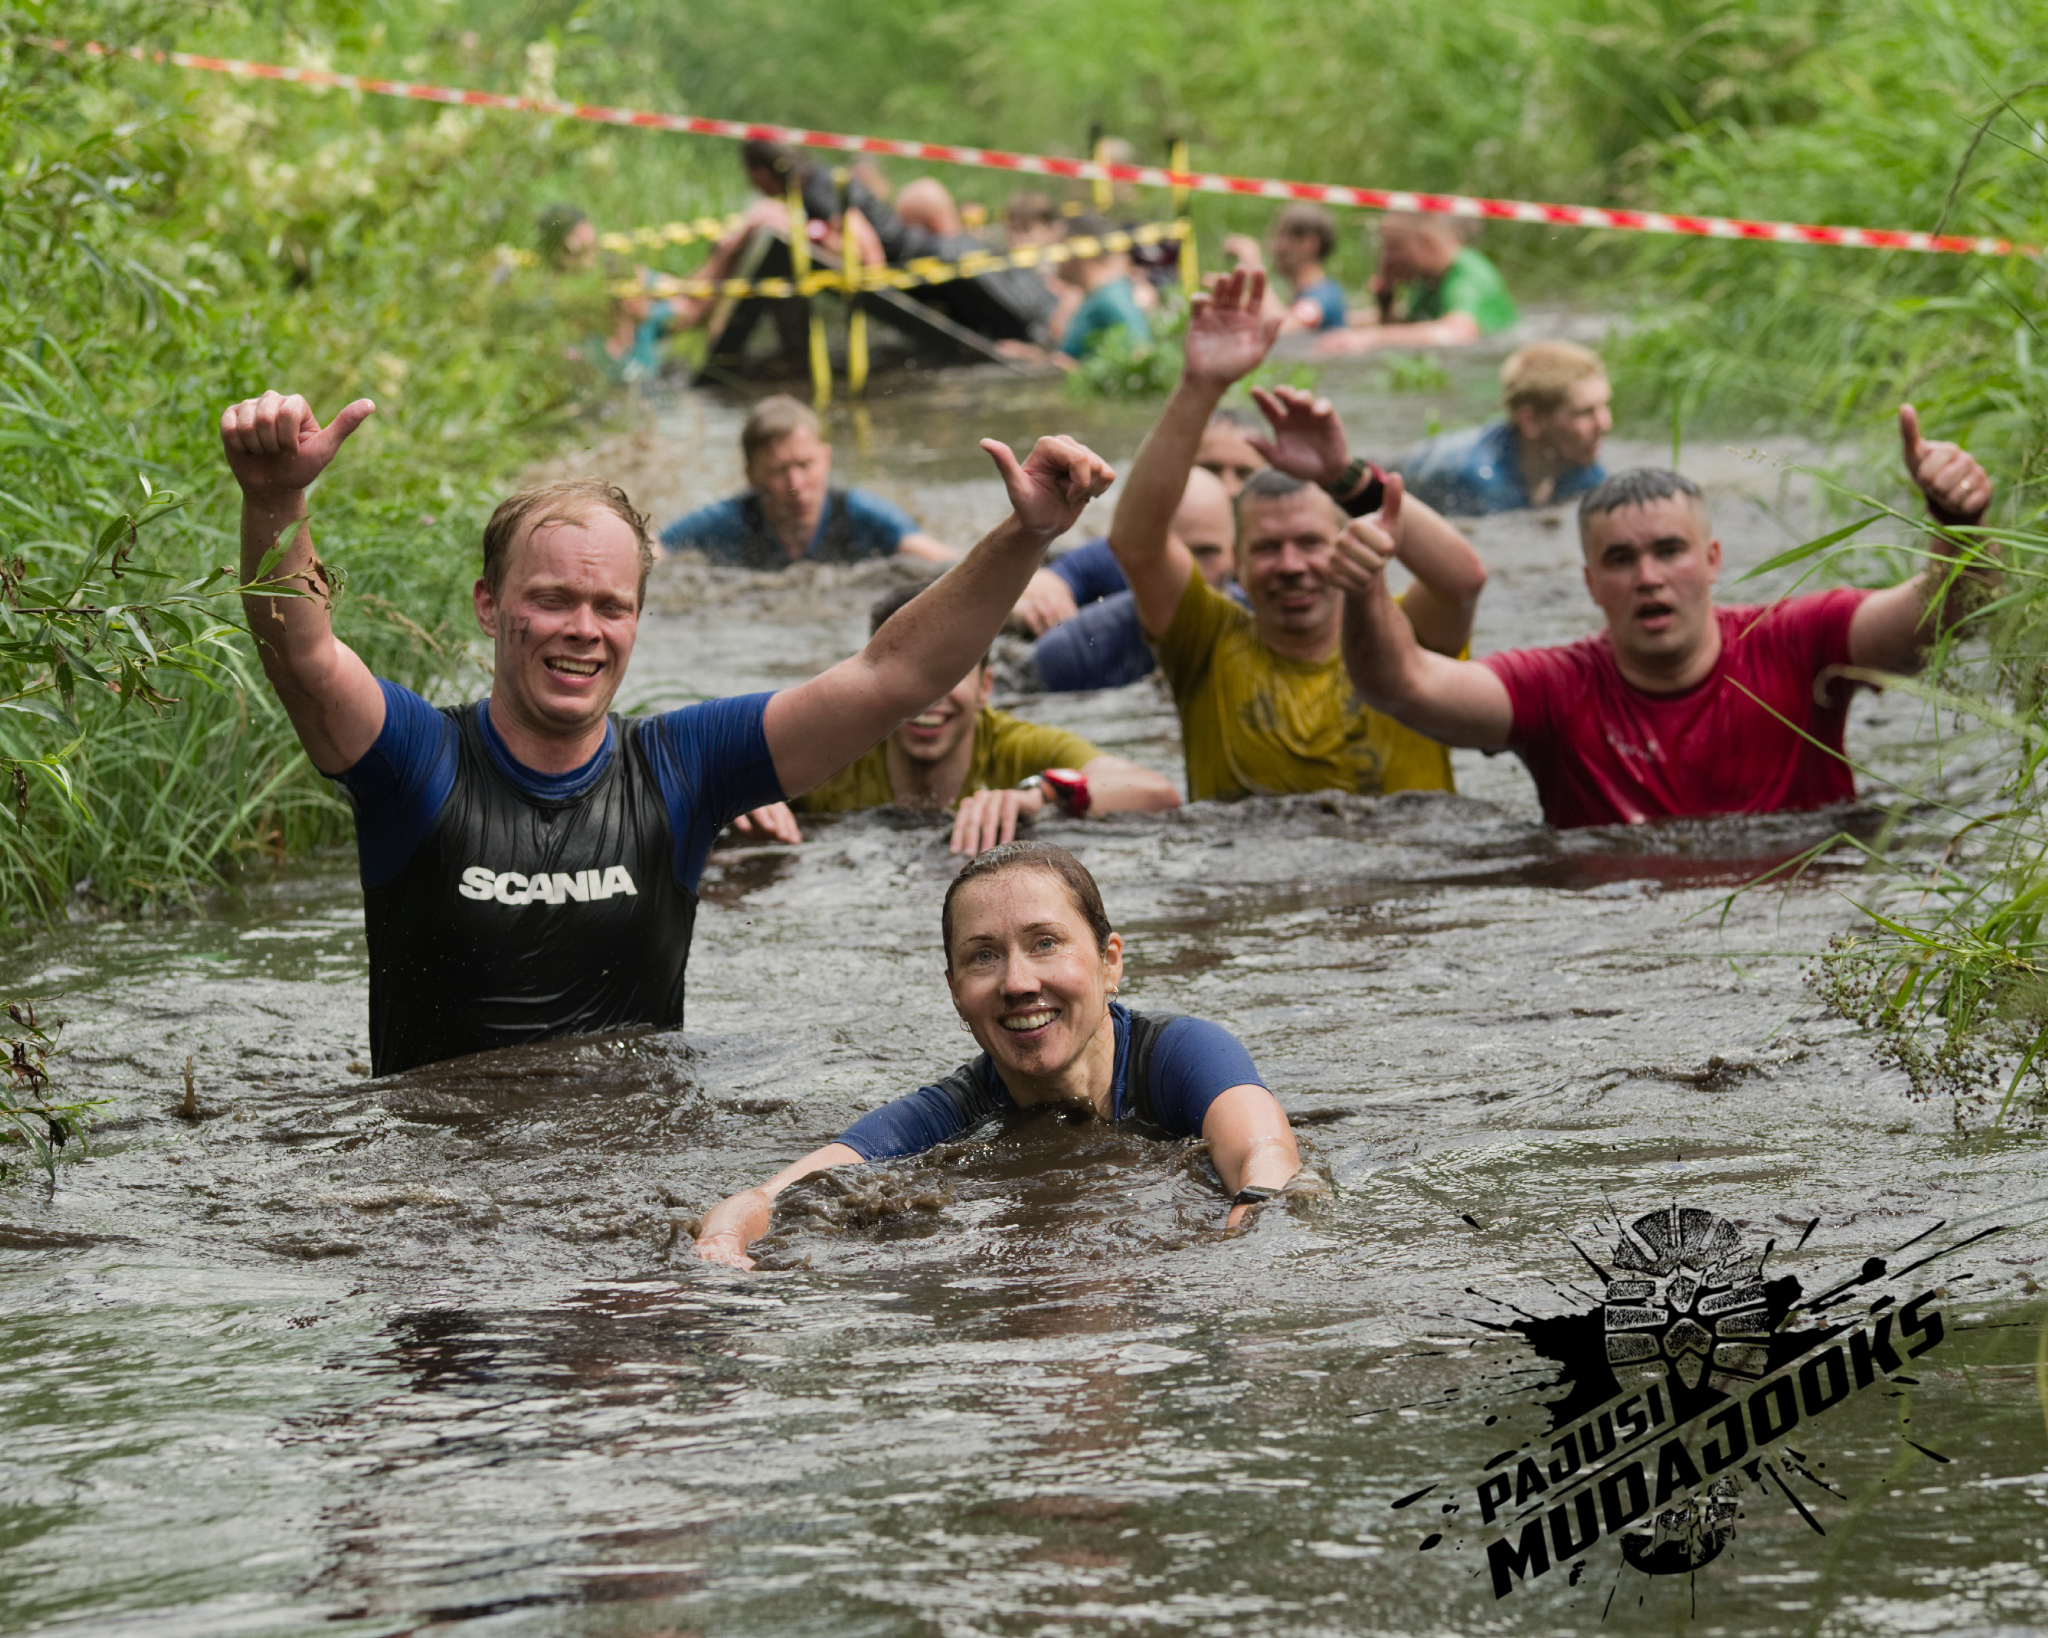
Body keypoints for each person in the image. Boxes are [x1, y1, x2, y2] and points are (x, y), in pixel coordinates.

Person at [219, 388, 1116, 1075]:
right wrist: (276, 501)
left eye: (611, 605)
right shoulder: (416, 759)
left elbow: (891, 677)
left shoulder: (681, 767)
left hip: (631, 1211)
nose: (583, 628)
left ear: (639, 622)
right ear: (491, 608)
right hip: (441, 1217)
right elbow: (305, 657)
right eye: (552, 600)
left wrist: (1024, 536)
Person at [1331, 407, 1995, 828]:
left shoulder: (1800, 641)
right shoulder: (1556, 689)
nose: (1647, 577)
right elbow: (1403, 686)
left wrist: (1958, 521)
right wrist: (1364, 589)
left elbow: (1943, 617)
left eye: (1668, 551)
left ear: (1711, 560)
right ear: (1591, 583)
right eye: (1620, 559)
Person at [693, 842, 1300, 1269]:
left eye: (1045, 944)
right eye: (983, 955)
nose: (1016, 982)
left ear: (1109, 962)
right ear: (956, 989)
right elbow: (776, 1194)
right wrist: (723, 1244)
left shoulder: (1179, 1057)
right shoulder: (950, 1114)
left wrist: (1248, 1240)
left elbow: (1264, 1154)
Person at [1108, 269, 1489, 802]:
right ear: (1236, 564)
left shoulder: (1406, 640)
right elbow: (1135, 541)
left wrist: (1345, 475)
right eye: (1266, 548)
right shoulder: (1205, 644)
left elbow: (1463, 580)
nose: (1291, 565)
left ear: (1347, 541)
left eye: (1311, 543)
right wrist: (1200, 387)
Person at [731, 582, 1181, 852]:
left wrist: (1043, 796)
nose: (928, 696)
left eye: (949, 674)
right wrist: (746, 796)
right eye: (908, 673)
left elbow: (1157, 793)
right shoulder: (831, 752)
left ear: (986, 687)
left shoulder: (1017, 748)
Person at [1008, 410, 1268, 640]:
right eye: (1211, 470)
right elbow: (1036, 586)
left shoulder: (1281, 563)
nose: (1229, 487)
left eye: (1245, 474)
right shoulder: (1130, 555)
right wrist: (1036, 607)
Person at [658, 396, 955, 569]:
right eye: (778, 470)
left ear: (825, 458)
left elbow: (945, 563)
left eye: (804, 465)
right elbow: (653, 551)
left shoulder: (861, 514)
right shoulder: (731, 521)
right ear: (751, 476)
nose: (795, 484)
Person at [1028, 467, 1237, 693]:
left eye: (1205, 552)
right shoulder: (1072, 655)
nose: (1187, 572)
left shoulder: (1267, 628)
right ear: (1136, 553)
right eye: (1168, 553)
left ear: (1236, 557)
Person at [1398, 341, 1613, 516]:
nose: (1605, 423)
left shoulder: (1585, 470)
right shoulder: (1476, 480)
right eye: (1584, 413)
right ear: (1531, 422)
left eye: (1604, 405)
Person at [1316, 212, 1517, 355]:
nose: (1385, 260)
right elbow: (1410, 323)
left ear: (1427, 242)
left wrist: (1373, 338)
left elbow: (1458, 334)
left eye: (1394, 248)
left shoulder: (1467, 275)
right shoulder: (1429, 281)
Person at [1224, 203, 1348, 332]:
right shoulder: (1306, 296)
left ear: (1309, 244)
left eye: (1281, 237)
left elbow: (1282, 330)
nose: (1273, 248)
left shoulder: (1325, 295)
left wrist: (1253, 263)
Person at [1056, 215, 1152, 362]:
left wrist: (1083, 375)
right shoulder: (1099, 295)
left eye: (1059, 246)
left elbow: (1141, 352)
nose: (1055, 258)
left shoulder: (1110, 297)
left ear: (1077, 247)